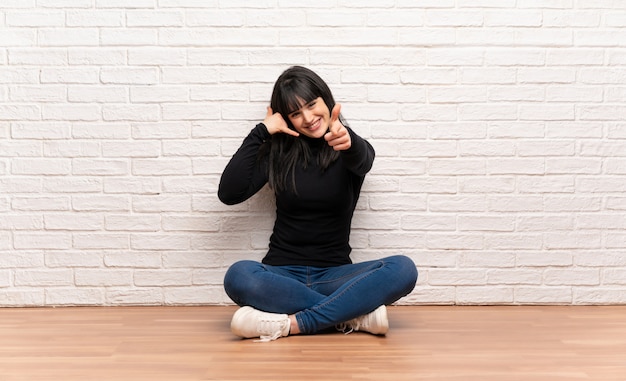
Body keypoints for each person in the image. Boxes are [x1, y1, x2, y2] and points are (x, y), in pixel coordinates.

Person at [218, 66, 418, 342]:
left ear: (326, 100)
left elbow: (364, 159)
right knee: (238, 275)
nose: (308, 118)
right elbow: (229, 193)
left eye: (312, 105)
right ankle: (352, 315)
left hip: (335, 275)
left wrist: (348, 142)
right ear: (286, 119)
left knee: (403, 268)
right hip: (282, 275)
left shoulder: (347, 146)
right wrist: (262, 131)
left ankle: (293, 323)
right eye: (296, 113)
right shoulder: (277, 152)